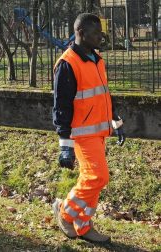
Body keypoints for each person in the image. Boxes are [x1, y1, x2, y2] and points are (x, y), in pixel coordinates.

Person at [52, 13, 126, 243]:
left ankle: (83, 225)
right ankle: (64, 212)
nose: (101, 38)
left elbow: (104, 94)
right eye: (96, 33)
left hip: (99, 131)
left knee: (91, 179)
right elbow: (61, 107)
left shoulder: (97, 58)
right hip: (82, 135)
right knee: (98, 177)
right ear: (81, 33)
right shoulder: (67, 64)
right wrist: (65, 144)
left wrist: (115, 120)